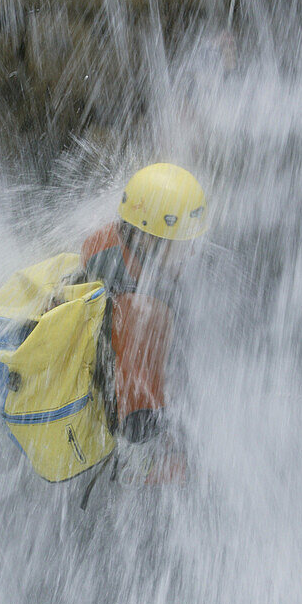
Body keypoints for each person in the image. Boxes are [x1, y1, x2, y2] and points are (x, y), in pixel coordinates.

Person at [80, 162, 207, 457]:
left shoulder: (107, 242)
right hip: (124, 437)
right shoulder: (140, 311)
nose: (190, 252)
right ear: (147, 238)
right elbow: (138, 426)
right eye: (182, 243)